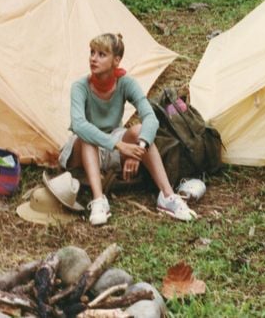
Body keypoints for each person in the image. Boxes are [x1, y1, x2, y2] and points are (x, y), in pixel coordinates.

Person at [59, 33, 196, 226]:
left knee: (140, 129)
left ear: (116, 60)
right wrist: (120, 146)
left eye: (101, 54)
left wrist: (138, 149)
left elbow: (149, 117)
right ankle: (99, 201)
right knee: (87, 135)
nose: (93, 58)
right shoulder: (80, 87)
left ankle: (167, 196)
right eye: (92, 53)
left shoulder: (125, 83)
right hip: (83, 149)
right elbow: (80, 125)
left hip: (112, 143)